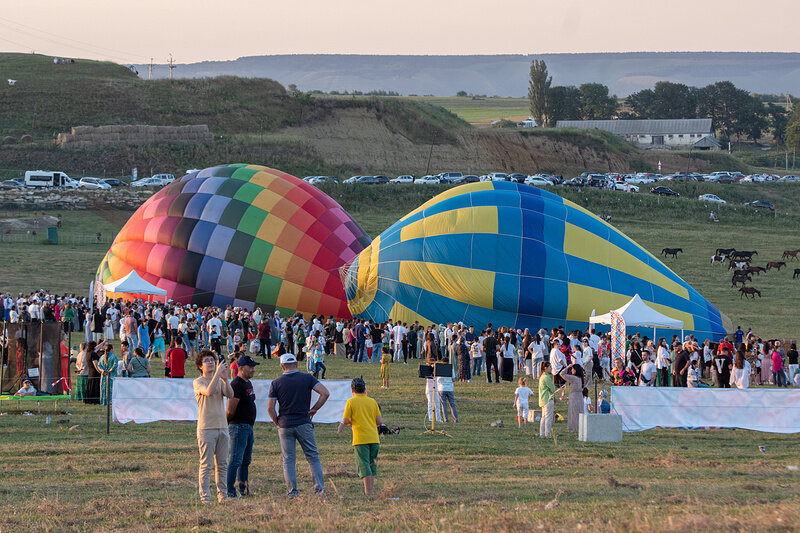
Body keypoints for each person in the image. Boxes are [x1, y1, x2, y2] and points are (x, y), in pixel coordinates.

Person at [267, 353, 329, 498]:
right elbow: (325, 393)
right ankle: (319, 490)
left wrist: (277, 421)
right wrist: (314, 409)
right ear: (297, 364)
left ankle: (292, 492)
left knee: (288, 459)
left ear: (282, 366)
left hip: (285, 424)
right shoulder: (307, 378)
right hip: (303, 422)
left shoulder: (276, 383)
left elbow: (270, 407)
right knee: (312, 457)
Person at [193, 349, 234, 504]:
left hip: (222, 426)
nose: (210, 362)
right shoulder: (198, 382)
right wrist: (217, 373)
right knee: (206, 464)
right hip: (206, 428)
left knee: (222, 464)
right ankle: (205, 498)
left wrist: (225, 379)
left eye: (212, 360)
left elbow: (230, 395)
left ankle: (222, 496)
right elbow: (209, 392)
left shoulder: (219, 380)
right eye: (207, 361)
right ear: (200, 366)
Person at [338, 377, 384, 496]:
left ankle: (368, 493)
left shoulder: (351, 402)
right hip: (374, 438)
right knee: (371, 464)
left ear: (352, 390)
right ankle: (370, 490)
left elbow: (346, 419)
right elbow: (379, 421)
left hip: (360, 439)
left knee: (363, 466)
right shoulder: (372, 401)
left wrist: (349, 423)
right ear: (365, 389)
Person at [226, 354, 258, 498]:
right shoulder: (237, 384)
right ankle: (231, 492)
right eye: (250, 367)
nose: (253, 370)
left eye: (253, 367)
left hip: (248, 427)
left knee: (245, 461)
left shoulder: (247, 383)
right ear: (241, 368)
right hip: (238, 426)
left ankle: (243, 490)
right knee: (235, 460)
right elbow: (230, 410)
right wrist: (229, 423)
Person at [538, 361, 557, 438]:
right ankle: (547, 434)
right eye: (550, 367)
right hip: (548, 399)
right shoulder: (546, 378)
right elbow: (553, 389)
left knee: (543, 417)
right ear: (545, 368)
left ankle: (542, 433)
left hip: (543, 400)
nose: (551, 368)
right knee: (548, 418)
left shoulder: (542, 377)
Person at [563, 364, 584, 431]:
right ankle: (579, 427)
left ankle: (573, 427)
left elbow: (562, 374)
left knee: (573, 413)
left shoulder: (574, 378)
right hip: (580, 396)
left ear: (575, 370)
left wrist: (568, 367)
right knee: (579, 412)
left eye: (572, 369)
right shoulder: (581, 378)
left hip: (574, 396)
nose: (571, 370)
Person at [436, 357, 458, 423]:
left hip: (441, 388)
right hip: (450, 388)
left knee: (444, 405)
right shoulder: (450, 369)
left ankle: (446, 420)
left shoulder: (439, 369)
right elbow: (453, 379)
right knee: (452, 404)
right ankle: (456, 419)